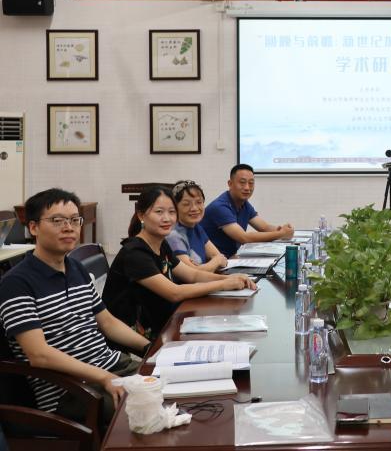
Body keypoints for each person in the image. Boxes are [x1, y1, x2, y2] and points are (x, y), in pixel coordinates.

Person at [0, 188, 149, 427]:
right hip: (72, 391)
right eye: (57, 220)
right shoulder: (16, 283)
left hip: (111, 367)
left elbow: (108, 322)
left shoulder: (76, 268)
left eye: (74, 220)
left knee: (176, 383)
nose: (69, 227)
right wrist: (104, 377)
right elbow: (39, 355)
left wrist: (150, 348)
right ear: (33, 227)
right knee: (150, 406)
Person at [103, 186, 256, 339]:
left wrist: (230, 278)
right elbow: (174, 293)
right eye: (159, 212)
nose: (167, 218)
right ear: (141, 215)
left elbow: (193, 275)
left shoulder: (161, 244)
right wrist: (223, 284)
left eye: (171, 212)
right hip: (134, 338)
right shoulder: (135, 253)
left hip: (163, 325)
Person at [200, 164, 294, 258]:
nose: (247, 188)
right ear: (230, 184)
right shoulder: (220, 207)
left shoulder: (244, 204)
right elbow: (244, 238)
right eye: (242, 182)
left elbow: (264, 227)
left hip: (232, 257)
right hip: (214, 262)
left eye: (251, 183)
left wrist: (283, 229)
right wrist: (281, 234)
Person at [166, 180, 228, 272]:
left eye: (199, 202)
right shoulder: (173, 235)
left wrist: (211, 264)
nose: (194, 208)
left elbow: (221, 259)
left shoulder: (197, 227)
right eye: (186, 204)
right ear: (174, 207)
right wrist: (215, 262)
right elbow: (192, 274)